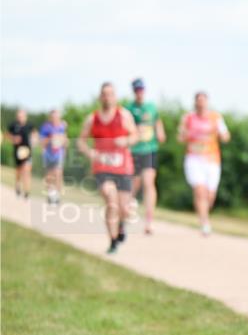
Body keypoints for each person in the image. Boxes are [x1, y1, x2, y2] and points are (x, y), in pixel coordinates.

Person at [77, 82, 138, 254]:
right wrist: (90, 153)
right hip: (102, 166)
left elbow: (135, 135)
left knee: (124, 208)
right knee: (111, 201)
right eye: (104, 94)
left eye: (110, 94)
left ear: (115, 97)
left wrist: (126, 140)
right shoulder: (92, 119)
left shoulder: (124, 115)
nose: (107, 97)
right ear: (100, 97)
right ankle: (112, 241)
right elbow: (81, 141)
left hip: (123, 167)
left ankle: (121, 225)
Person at [179, 91, 230, 236]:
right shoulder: (188, 118)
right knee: (199, 191)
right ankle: (204, 223)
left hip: (212, 160)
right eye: (198, 100)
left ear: (207, 102)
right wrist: (187, 135)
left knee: (210, 196)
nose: (201, 103)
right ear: (195, 102)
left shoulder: (216, 117)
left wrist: (220, 134)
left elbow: (226, 137)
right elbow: (180, 137)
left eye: (203, 100)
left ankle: (204, 216)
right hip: (194, 159)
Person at [123, 78, 165, 234]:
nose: (139, 92)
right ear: (133, 91)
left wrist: (160, 132)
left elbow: (157, 122)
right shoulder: (128, 109)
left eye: (141, 89)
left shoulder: (152, 107)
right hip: (134, 150)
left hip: (150, 149)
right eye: (137, 90)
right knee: (134, 184)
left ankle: (149, 221)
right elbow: (124, 128)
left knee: (149, 182)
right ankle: (127, 209)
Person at [39, 109, 68, 204]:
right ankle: (50, 194)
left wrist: (64, 146)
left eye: (57, 117)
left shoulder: (62, 127)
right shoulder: (45, 127)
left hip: (58, 154)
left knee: (58, 174)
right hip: (48, 154)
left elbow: (65, 140)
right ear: (50, 118)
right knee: (49, 175)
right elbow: (41, 142)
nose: (55, 118)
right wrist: (51, 138)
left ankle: (57, 196)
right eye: (53, 117)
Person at [7, 109, 34, 199]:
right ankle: (18, 184)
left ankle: (27, 191)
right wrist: (13, 138)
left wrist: (34, 140)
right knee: (19, 170)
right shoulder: (13, 125)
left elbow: (35, 134)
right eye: (19, 116)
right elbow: (7, 135)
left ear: (25, 117)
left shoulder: (29, 125)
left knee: (27, 170)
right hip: (17, 151)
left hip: (27, 151)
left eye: (22, 116)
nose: (20, 118)